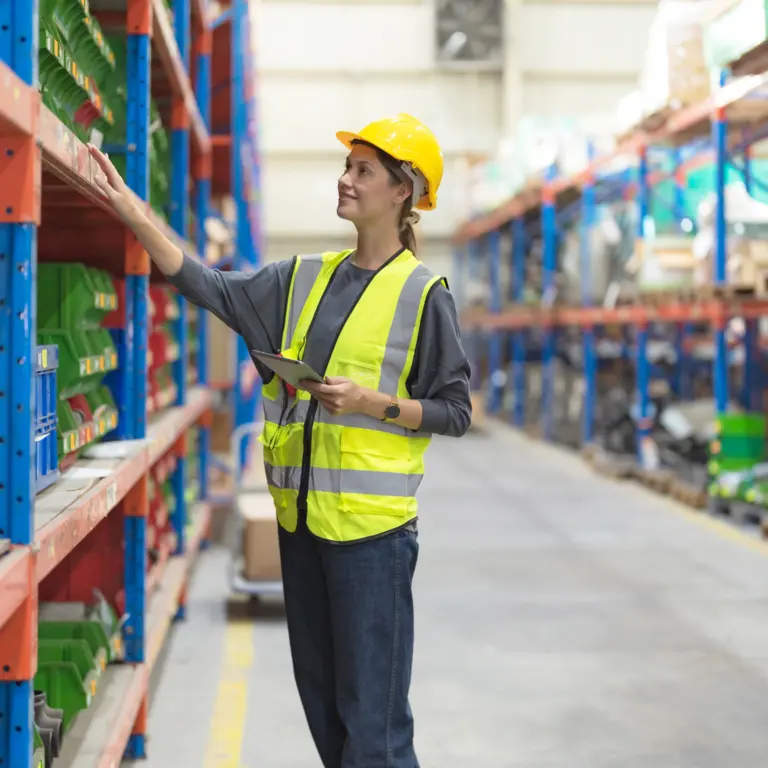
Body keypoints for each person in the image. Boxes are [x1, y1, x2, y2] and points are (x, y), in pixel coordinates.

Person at [88, 112, 471, 768]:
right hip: (302, 528)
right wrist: (132, 210)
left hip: (371, 540)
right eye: (347, 167)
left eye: (362, 170)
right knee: (324, 709)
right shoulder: (300, 279)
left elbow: (456, 410)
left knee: (373, 728)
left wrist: (375, 403)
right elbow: (204, 284)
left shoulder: (422, 293)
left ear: (402, 190)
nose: (345, 179)